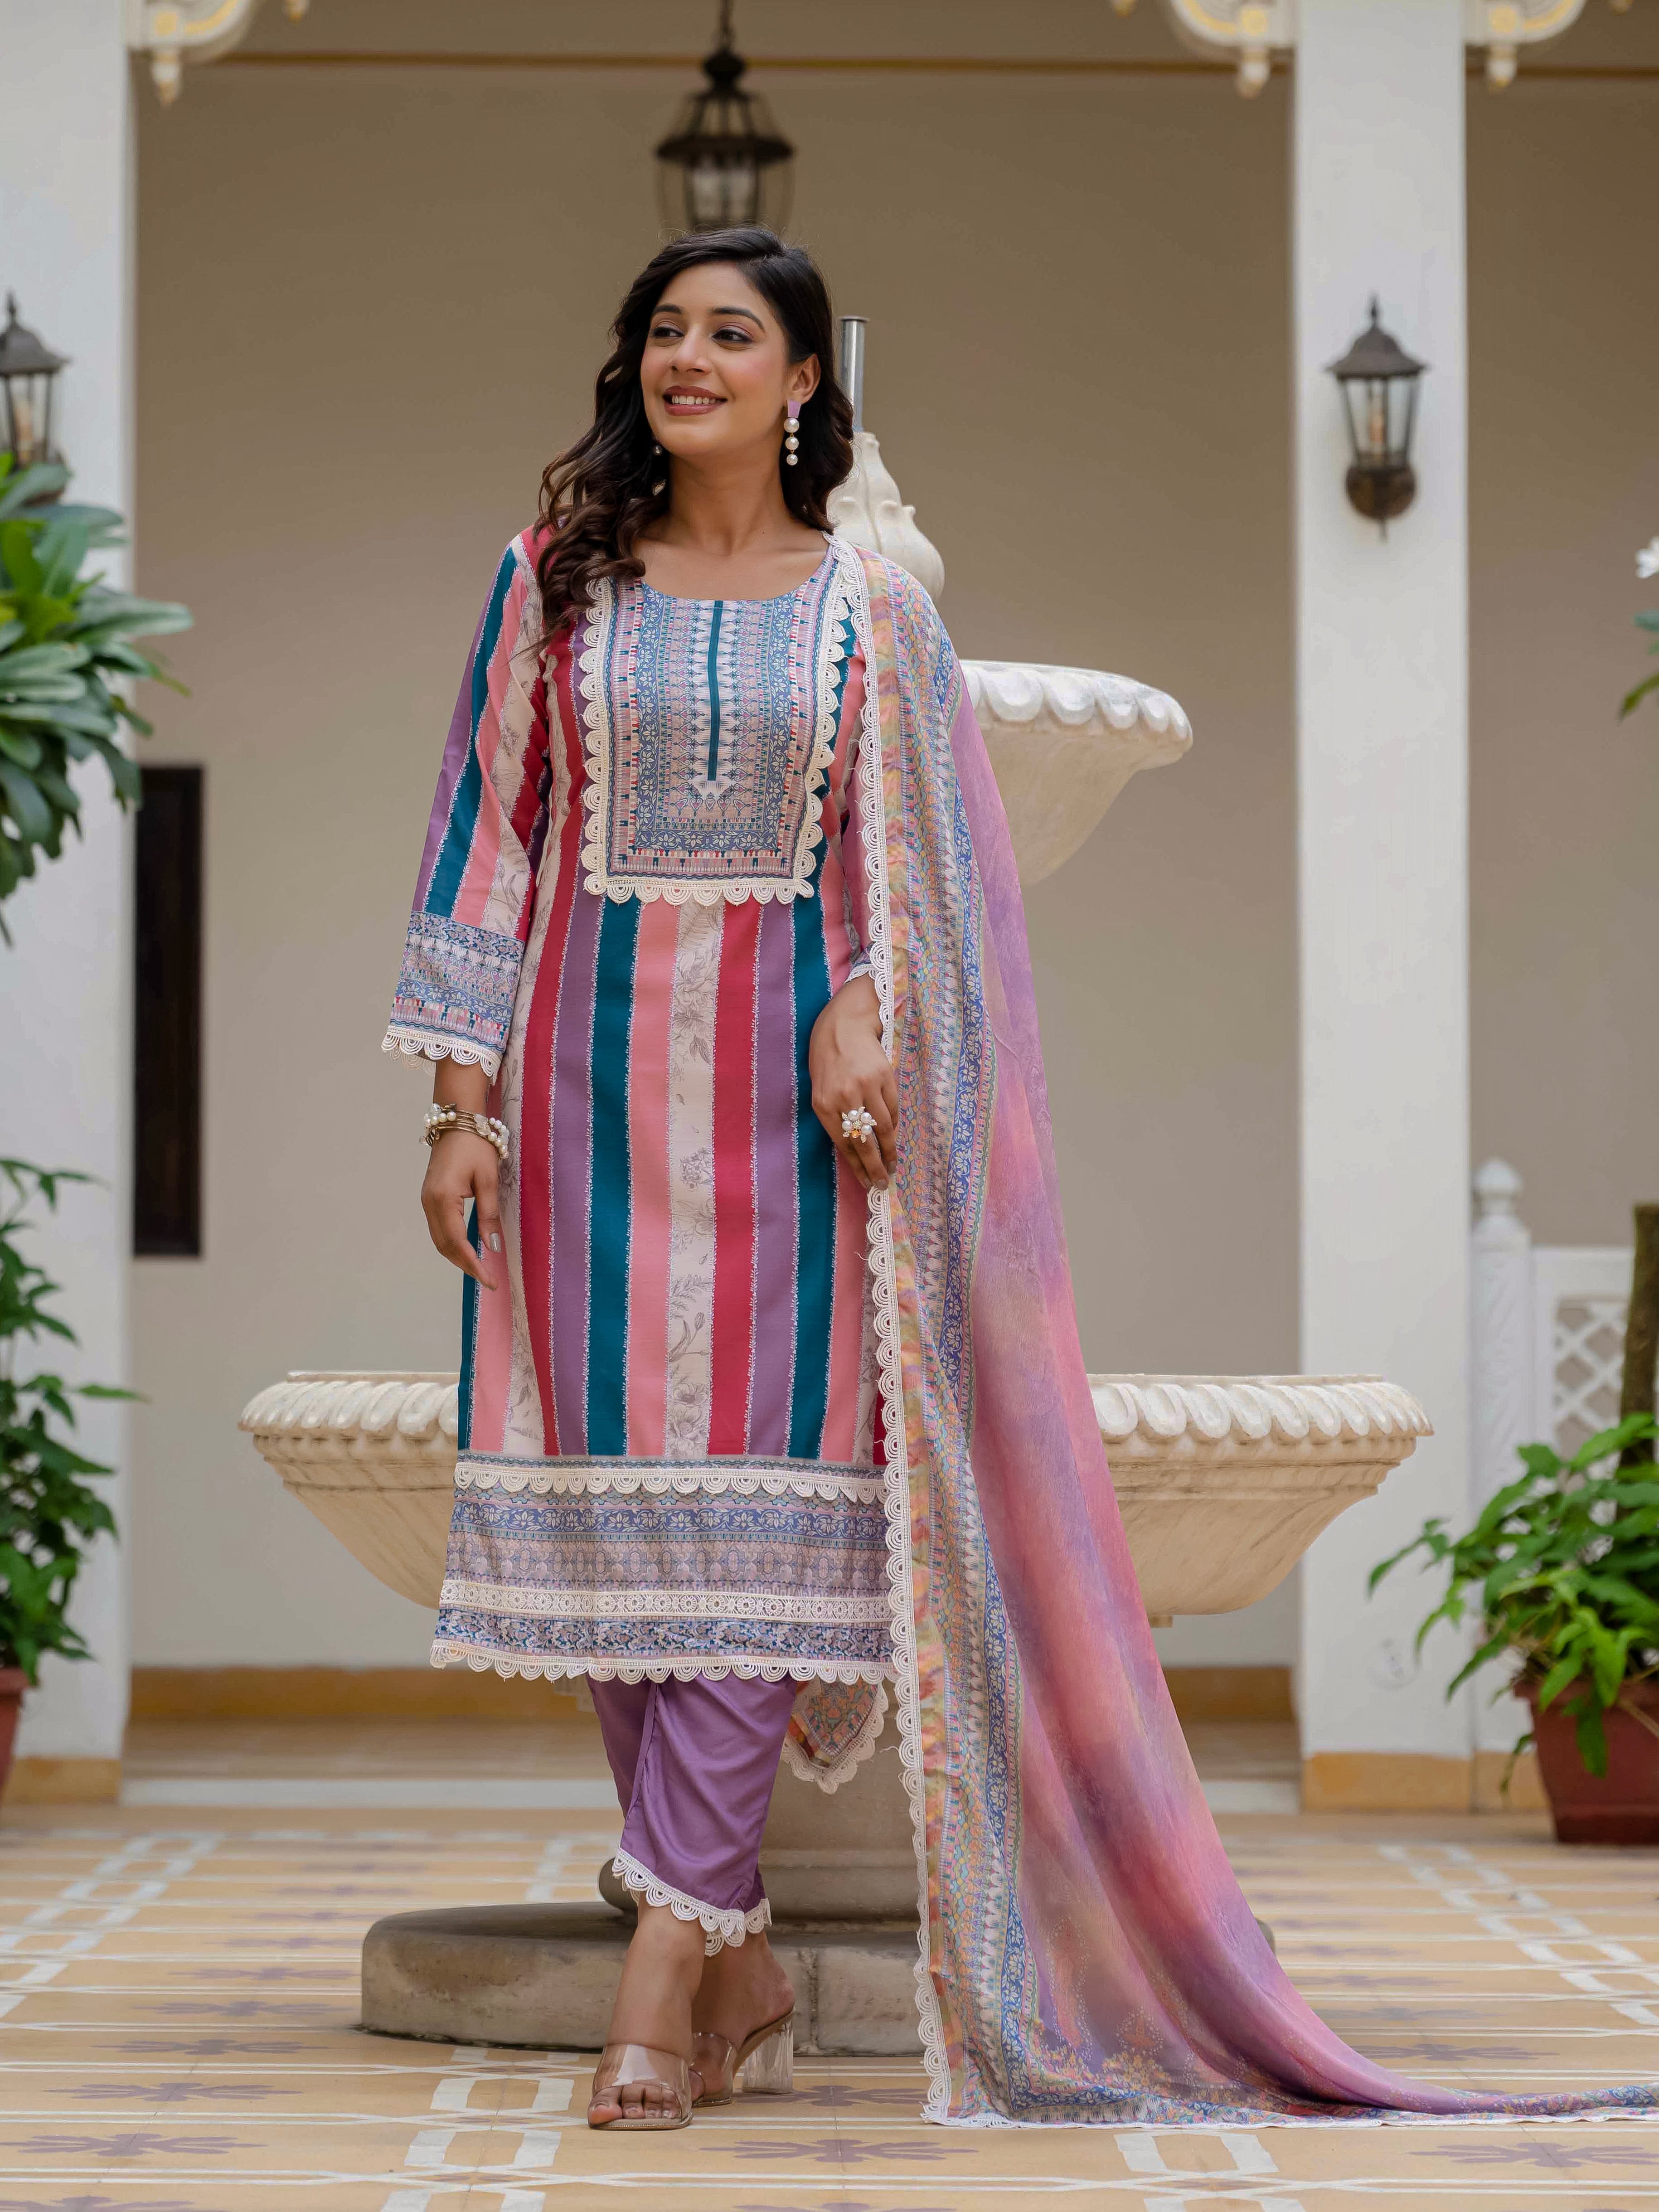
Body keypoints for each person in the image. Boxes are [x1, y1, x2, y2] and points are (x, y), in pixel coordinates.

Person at [385, 229, 1656, 2133]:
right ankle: (728, 1961)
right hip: (579, 1110)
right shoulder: (548, 584)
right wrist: (460, 1104)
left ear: (809, 382)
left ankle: (661, 1966)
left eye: (733, 333)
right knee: (612, 1550)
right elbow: (488, 837)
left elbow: (920, 871)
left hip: (800, 1146)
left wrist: (873, 1003)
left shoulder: (870, 612)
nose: (689, 359)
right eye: (665, 331)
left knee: (767, 1531)